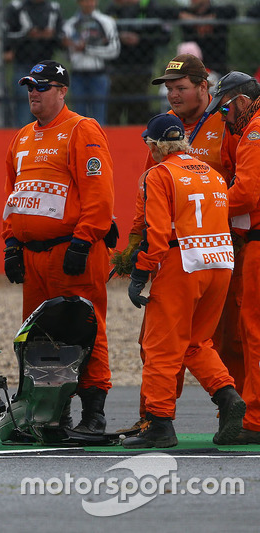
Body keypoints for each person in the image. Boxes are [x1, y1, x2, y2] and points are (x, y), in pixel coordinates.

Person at [112, 54, 241, 432]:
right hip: (220, 254)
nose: (172, 94)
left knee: (162, 345)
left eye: (180, 87)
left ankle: (159, 422)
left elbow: (151, 219)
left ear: (205, 86)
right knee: (197, 342)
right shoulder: (205, 173)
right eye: (168, 88)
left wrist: (138, 266)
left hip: (182, 258)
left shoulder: (224, 123)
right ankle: (228, 400)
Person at [2, 60, 115, 433]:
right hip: (34, 256)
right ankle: (54, 413)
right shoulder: (20, 137)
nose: (34, 92)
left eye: (42, 86)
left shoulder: (82, 129)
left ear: (62, 90)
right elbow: (13, 195)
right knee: (39, 337)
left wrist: (83, 241)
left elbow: (99, 195)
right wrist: (11, 243)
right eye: (29, 86)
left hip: (72, 250)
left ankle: (94, 414)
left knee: (85, 329)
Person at [206, 71, 260, 444]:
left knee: (254, 332)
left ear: (240, 101)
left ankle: (255, 421)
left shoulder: (255, 132)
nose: (223, 118)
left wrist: (207, 204)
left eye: (224, 109)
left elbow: (246, 193)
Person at [104, 0, 171, 125]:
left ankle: (137, 141)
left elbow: (165, 36)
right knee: (113, 112)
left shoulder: (151, 8)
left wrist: (141, 39)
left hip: (142, 68)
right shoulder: (113, 8)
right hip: (115, 68)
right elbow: (103, 34)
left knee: (138, 111)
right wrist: (119, 37)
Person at [4, 0, 64, 127]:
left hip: (47, 68)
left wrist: (52, 35)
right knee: (24, 108)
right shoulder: (16, 7)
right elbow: (6, 35)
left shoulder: (53, 7)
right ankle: (24, 140)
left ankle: (46, 143)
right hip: (23, 64)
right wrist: (27, 35)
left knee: (47, 109)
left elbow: (62, 37)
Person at [61, 0, 119, 125]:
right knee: (78, 118)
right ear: (79, 2)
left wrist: (87, 49)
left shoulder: (106, 22)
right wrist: (72, 47)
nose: (88, 3)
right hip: (77, 74)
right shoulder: (70, 24)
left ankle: (98, 143)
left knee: (98, 118)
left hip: (98, 74)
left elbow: (114, 50)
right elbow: (67, 53)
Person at [177, 0, 237, 76]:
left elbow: (233, 10)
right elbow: (161, 12)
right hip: (191, 69)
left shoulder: (216, 11)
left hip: (216, 67)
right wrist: (195, 21)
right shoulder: (185, 11)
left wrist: (210, 19)